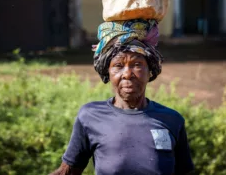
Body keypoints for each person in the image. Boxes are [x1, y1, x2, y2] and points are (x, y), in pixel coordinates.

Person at [50, 20, 195, 175]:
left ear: (150, 70)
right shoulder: (90, 116)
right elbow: (68, 171)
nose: (127, 74)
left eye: (137, 65)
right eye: (118, 66)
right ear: (108, 72)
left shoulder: (172, 120)